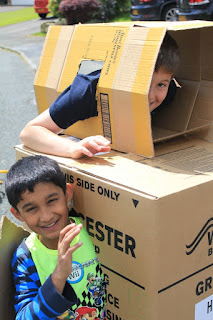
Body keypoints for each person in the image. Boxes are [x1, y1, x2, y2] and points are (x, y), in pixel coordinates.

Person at [20, 33, 179, 159]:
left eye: (161, 84)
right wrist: (73, 148)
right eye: (142, 83)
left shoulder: (169, 92)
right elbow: (30, 132)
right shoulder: (86, 93)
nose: (149, 95)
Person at [5, 155, 106, 320]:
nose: (46, 216)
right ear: (18, 214)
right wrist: (58, 277)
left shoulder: (93, 231)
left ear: (67, 194)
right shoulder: (27, 256)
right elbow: (23, 317)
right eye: (31, 208)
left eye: (52, 200)